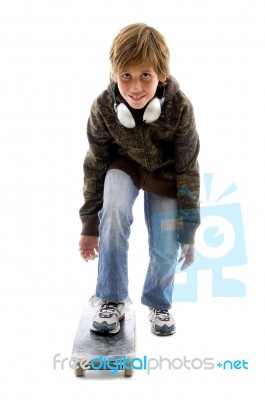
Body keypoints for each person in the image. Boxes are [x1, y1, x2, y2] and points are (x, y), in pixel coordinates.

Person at [78, 23, 200, 336]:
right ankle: (111, 298)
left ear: (162, 74)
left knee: (164, 246)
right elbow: (95, 165)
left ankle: (159, 303)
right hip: (125, 166)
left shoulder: (180, 108)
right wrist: (90, 225)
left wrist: (188, 227)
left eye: (145, 74)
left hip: (167, 174)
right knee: (115, 211)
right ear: (114, 74)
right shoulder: (104, 108)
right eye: (126, 76)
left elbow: (188, 168)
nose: (135, 87)